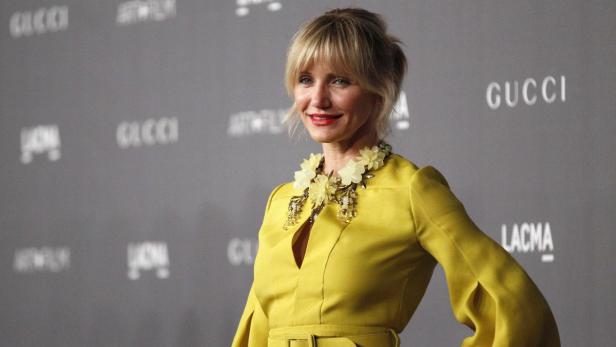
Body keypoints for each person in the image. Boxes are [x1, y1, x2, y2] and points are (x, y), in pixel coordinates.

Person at [231, 7, 560, 347]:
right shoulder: (281, 202)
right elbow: (255, 331)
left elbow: (515, 305)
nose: (317, 99)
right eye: (305, 79)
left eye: (340, 80)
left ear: (378, 89)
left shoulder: (411, 190)